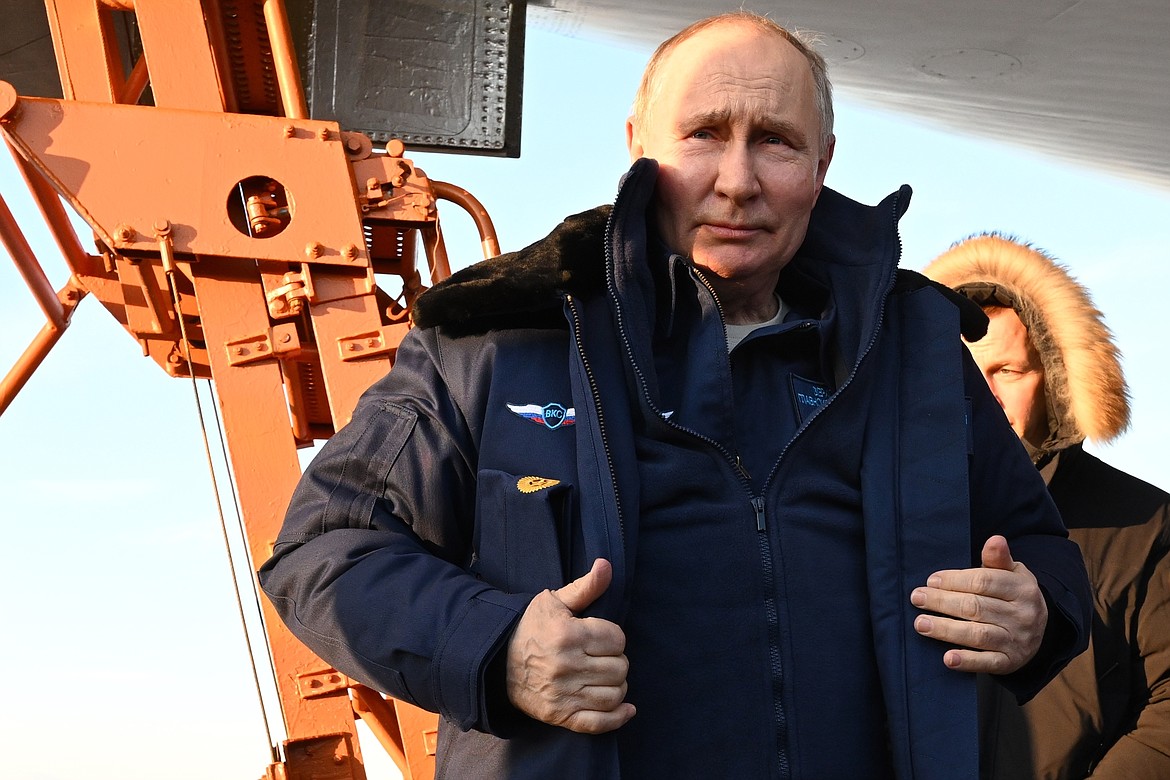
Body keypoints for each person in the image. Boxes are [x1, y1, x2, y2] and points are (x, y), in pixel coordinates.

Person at [259, 13, 1091, 778]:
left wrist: (1035, 612)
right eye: (703, 136)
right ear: (638, 147)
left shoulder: (916, 354)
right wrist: (497, 643)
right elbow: (324, 550)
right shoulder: (494, 342)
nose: (737, 180)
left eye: (775, 141)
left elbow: (1044, 553)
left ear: (822, 164)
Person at [926, 234, 1170, 779]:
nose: (983, 397)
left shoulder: (1145, 524)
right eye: (964, 373)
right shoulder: (881, 512)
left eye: (1008, 372)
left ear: (1058, 380)